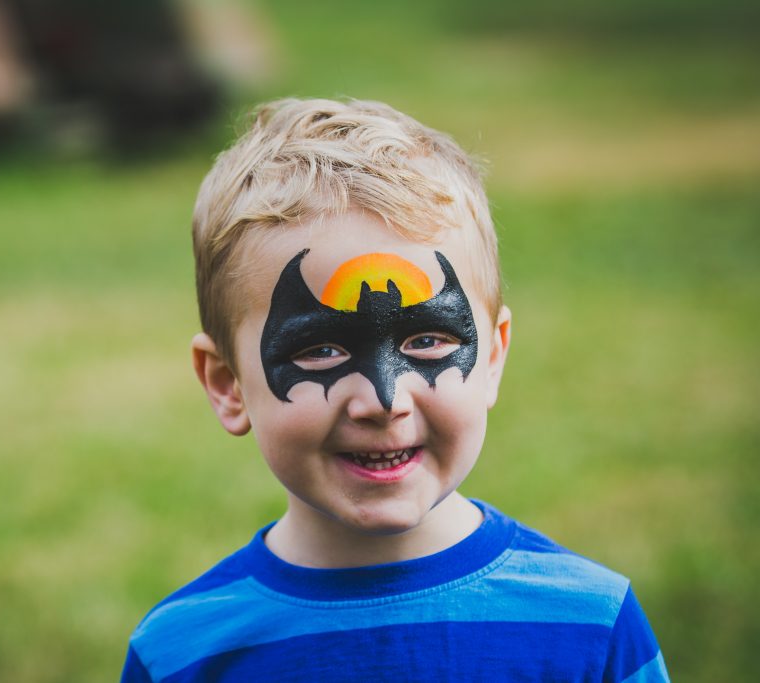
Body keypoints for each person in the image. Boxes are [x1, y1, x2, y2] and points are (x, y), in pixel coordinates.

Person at [120, 98, 669, 682]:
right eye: (322, 350)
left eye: (428, 340)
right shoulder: (183, 653)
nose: (383, 401)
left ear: (492, 356)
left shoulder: (589, 628)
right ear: (227, 384)